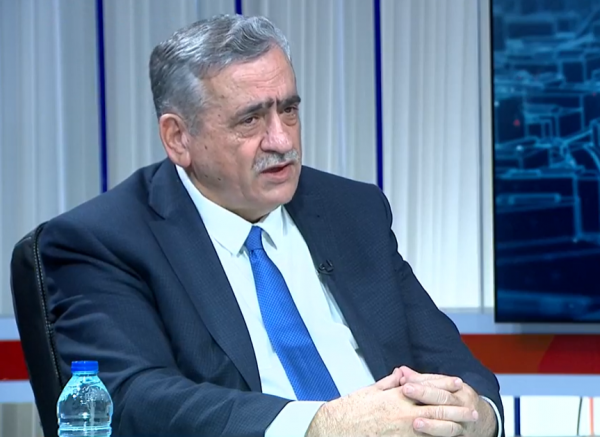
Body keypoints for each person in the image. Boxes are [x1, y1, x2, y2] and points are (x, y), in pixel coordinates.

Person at [40, 14, 504, 437]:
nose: (281, 140)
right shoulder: (103, 240)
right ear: (178, 138)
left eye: (289, 110)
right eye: (251, 119)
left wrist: (480, 416)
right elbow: (132, 398)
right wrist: (320, 426)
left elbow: (451, 363)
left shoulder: (352, 211)